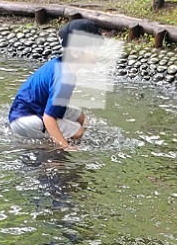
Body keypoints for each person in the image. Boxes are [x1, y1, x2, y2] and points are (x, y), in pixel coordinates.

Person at [9, 20, 105, 149]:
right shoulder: (65, 78)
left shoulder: (63, 66)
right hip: (23, 119)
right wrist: (65, 147)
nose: (98, 54)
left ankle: (53, 136)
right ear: (75, 53)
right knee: (78, 132)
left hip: (33, 108)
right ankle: (50, 150)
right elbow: (49, 118)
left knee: (80, 116)